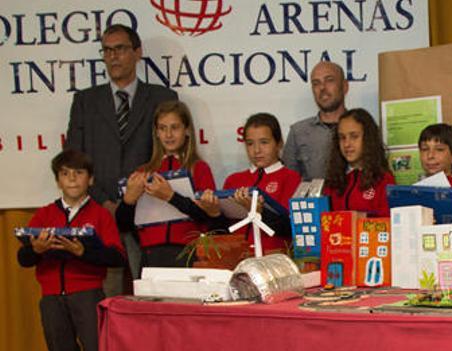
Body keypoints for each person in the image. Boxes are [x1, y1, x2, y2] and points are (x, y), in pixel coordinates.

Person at [17, 150, 125, 351]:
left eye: (78, 173)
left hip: (87, 295)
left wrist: (82, 252)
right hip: (52, 299)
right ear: (58, 181)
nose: (72, 179)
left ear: (89, 179)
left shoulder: (100, 215)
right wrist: (36, 249)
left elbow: (116, 257)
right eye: (66, 174)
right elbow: (23, 259)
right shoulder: (44, 215)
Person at [65, 24, 177, 290]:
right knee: (107, 295)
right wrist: (104, 201)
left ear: (137, 52)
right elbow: (74, 158)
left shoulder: (163, 97)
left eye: (120, 49)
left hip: (149, 208)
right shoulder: (85, 101)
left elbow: (170, 154)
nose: (113, 56)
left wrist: (136, 196)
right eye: (107, 50)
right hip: (100, 208)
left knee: (152, 292)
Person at [115, 101, 218, 269]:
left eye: (175, 127)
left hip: (188, 253)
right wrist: (128, 201)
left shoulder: (198, 168)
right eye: (162, 128)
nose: (168, 134)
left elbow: (208, 217)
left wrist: (171, 197)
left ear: (187, 130)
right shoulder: (143, 171)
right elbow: (123, 225)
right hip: (150, 255)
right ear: (156, 132)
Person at [201, 113, 301, 254]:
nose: (257, 150)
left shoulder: (291, 178)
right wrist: (214, 214)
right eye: (250, 143)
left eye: (264, 142)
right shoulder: (233, 180)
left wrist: (260, 212)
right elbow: (223, 233)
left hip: (274, 259)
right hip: (236, 260)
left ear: (279, 144)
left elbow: (291, 229)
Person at [281, 61, 348, 180]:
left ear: (345, 86)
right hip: (313, 198)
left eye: (329, 80)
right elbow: (288, 184)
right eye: (316, 83)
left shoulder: (362, 127)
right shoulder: (298, 132)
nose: (322, 87)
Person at [323, 108, 396, 216]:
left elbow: (388, 219)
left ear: (368, 138)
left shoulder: (383, 180)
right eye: (342, 137)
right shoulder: (333, 182)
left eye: (354, 136)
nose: (347, 144)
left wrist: (360, 217)